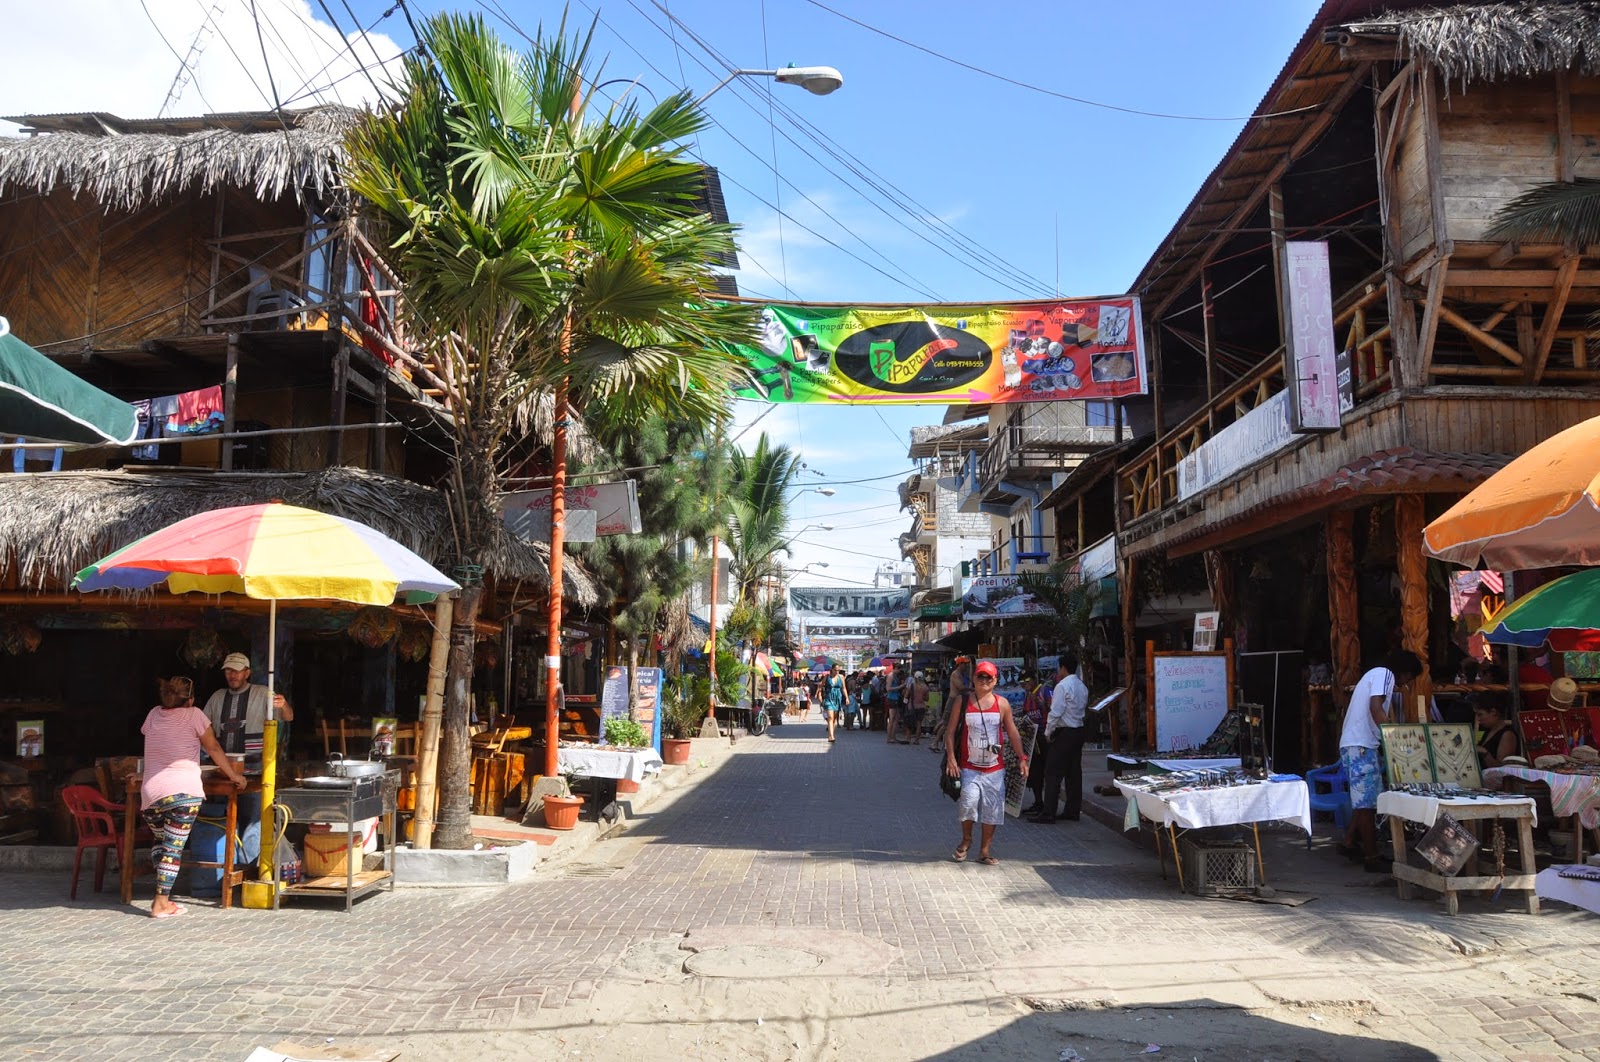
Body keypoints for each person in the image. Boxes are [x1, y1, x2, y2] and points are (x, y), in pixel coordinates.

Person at [141, 676, 247, 918]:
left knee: (162, 842)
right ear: (190, 699)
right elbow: (213, 748)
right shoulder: (195, 715)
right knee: (172, 849)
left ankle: (164, 897)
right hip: (182, 792)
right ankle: (161, 902)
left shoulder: (153, 715)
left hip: (151, 794)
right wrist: (233, 775)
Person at [1337, 650, 1423, 871]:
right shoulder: (1385, 674)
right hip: (1361, 746)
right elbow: (1376, 707)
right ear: (1404, 672)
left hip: (1357, 744)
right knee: (1367, 804)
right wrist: (1392, 741)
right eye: (1408, 679)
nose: (1404, 685)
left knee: (1363, 799)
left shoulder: (1374, 675)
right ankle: (1371, 857)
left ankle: (1349, 842)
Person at [945, 660, 1027, 866]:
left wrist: (1022, 758)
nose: (983, 680)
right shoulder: (963, 702)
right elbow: (950, 732)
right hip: (969, 766)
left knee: (992, 809)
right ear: (974, 679)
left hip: (994, 769)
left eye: (988, 677)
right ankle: (966, 839)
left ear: (995, 681)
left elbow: (1013, 733)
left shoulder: (1002, 704)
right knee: (968, 803)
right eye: (980, 676)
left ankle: (984, 851)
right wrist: (951, 759)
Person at [202, 652, 293, 767]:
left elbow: (289, 717)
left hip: (258, 768)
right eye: (228, 671)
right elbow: (202, 727)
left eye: (237, 671)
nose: (232, 675)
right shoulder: (217, 697)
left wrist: (284, 705)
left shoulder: (263, 693)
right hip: (224, 768)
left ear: (247, 673)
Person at [1030, 654, 1088, 824]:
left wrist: (1048, 732)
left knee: (1052, 771)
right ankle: (1072, 810)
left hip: (1065, 732)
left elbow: (1055, 713)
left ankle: (1049, 812)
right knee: (1073, 772)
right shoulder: (1081, 686)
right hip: (1078, 730)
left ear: (1063, 668)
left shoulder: (1062, 686)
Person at [1019, 674, 1051, 815]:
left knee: (1046, 770)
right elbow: (1026, 713)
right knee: (1035, 772)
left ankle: (1047, 805)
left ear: (1033, 679)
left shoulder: (1044, 691)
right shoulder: (1027, 695)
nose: (1025, 684)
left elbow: (1052, 708)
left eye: (1027, 680)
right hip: (1032, 739)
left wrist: (1039, 702)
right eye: (1022, 682)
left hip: (1044, 737)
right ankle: (1038, 802)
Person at [1474, 693, 1524, 768]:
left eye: (1480, 714)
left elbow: (1502, 768)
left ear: (1493, 712)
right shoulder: (1486, 730)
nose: (1478, 718)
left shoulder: (1507, 735)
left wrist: (1484, 752)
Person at [820, 664, 847, 742]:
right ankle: (831, 736)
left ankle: (831, 734)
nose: (837, 671)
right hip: (829, 698)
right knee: (830, 717)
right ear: (832, 669)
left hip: (838, 698)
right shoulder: (827, 677)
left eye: (838, 670)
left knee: (834, 718)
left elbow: (844, 688)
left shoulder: (841, 677)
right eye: (835, 670)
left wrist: (847, 698)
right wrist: (819, 694)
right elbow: (820, 686)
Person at [907, 669, 930, 746]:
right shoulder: (925, 687)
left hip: (911, 707)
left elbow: (906, 696)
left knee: (909, 723)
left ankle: (908, 739)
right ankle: (917, 740)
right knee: (919, 724)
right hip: (921, 707)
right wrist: (921, 697)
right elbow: (927, 699)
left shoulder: (911, 686)